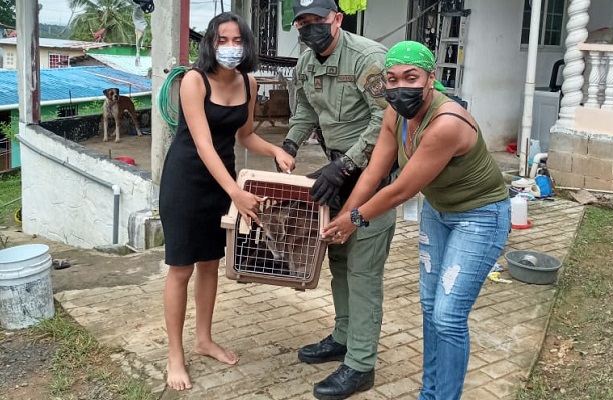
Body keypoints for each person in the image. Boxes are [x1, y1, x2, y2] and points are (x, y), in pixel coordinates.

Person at [322, 41, 511, 400]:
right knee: (429, 309)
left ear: (430, 79)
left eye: (411, 77)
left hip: (480, 217)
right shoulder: (395, 113)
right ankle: (430, 393)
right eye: (391, 79)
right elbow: (375, 169)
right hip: (439, 215)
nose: (400, 86)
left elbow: (401, 191)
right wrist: (347, 212)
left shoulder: (446, 123)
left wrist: (354, 221)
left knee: (448, 316)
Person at [158, 12, 294, 391]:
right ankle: (175, 354)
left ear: (246, 45)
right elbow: (202, 143)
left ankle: (203, 340)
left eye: (237, 40)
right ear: (210, 44)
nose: (230, 47)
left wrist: (275, 151)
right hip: (186, 181)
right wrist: (236, 191)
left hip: (222, 182)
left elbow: (245, 134)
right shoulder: (193, 81)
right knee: (181, 267)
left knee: (210, 264)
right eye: (222, 40)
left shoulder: (248, 82)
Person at [278, 1, 397, 399]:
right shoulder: (306, 65)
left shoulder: (368, 58)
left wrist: (345, 165)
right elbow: (306, 111)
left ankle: (361, 365)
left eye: (316, 21)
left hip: (372, 175)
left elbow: (386, 121)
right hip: (337, 174)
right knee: (339, 261)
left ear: (337, 19)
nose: (309, 29)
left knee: (363, 270)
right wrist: (291, 142)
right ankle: (344, 337)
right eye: (302, 23)